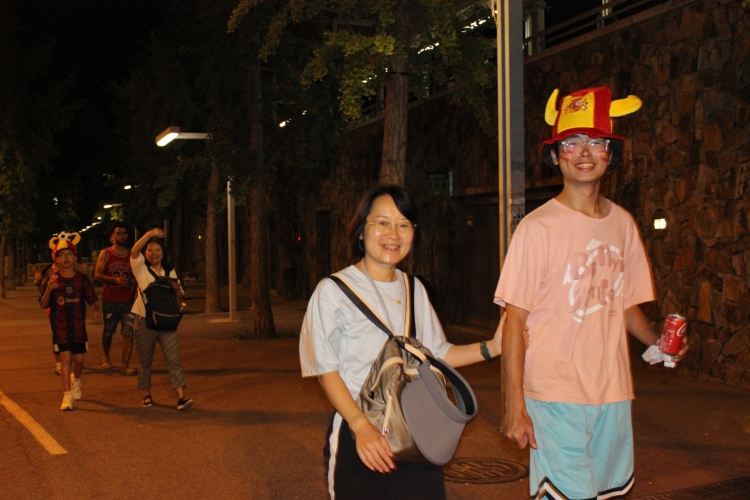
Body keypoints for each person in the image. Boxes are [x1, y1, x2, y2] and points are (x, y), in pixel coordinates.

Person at [493, 87, 690, 499]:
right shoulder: (536, 228)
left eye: (596, 141)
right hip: (553, 393)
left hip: (613, 392)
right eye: (572, 142)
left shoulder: (622, 224)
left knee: (608, 494)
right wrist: (515, 405)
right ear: (555, 155)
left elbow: (625, 304)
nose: (584, 151)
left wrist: (660, 344)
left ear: (611, 153)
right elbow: (514, 323)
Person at [300, 185, 509, 500]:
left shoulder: (414, 290)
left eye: (403, 224)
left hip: (416, 432)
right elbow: (325, 368)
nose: (392, 233)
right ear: (361, 230)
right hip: (360, 435)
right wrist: (361, 427)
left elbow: (437, 354)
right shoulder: (334, 291)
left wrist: (491, 347)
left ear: (414, 233)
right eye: (382, 222)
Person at [130, 227, 192, 410]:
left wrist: (178, 292)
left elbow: (178, 299)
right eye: (149, 250)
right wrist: (149, 235)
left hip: (167, 321)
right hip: (144, 320)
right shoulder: (140, 268)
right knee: (145, 361)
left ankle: (181, 397)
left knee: (174, 359)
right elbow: (134, 251)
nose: (154, 253)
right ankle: (146, 393)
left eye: (157, 250)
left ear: (163, 253)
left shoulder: (170, 271)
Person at [40, 233, 102, 411]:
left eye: (69, 255)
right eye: (62, 255)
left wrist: (98, 311)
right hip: (60, 326)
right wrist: (49, 291)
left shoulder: (81, 279)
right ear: (56, 259)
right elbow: (43, 304)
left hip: (77, 326)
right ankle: (67, 396)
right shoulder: (53, 280)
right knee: (66, 358)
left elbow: (92, 298)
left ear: (75, 257)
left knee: (79, 359)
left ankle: (77, 380)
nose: (66, 258)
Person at [95, 221, 137, 375]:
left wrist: (132, 281)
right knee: (108, 331)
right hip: (110, 300)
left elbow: (136, 274)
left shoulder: (131, 254)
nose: (121, 236)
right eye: (118, 233)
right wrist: (115, 280)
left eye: (124, 233)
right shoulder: (106, 253)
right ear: (112, 236)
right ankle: (106, 356)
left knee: (128, 332)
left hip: (127, 300)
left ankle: (125, 364)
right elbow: (97, 275)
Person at [35, 257, 62, 375]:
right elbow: (42, 290)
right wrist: (38, 282)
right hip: (53, 306)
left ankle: (71, 356)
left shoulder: (72, 269)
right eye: (57, 254)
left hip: (70, 306)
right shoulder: (47, 270)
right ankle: (59, 364)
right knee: (57, 333)